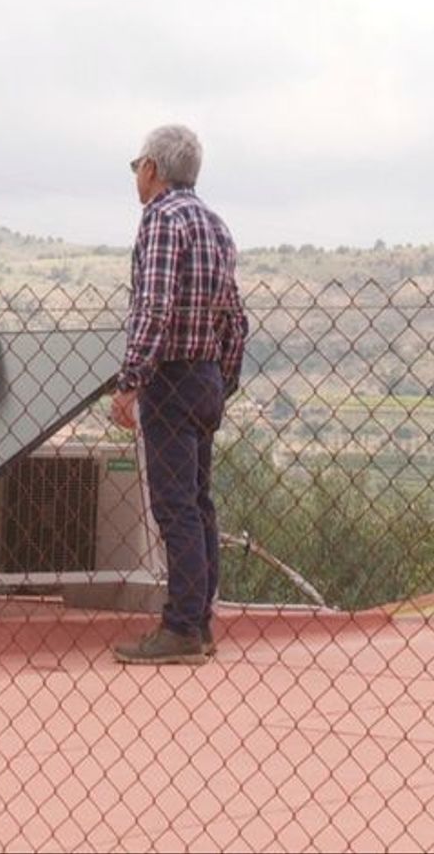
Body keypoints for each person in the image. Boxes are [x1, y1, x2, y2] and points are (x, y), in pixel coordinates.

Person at [110, 125, 249, 665]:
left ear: (152, 169)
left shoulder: (162, 220)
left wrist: (131, 381)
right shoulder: (216, 226)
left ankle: (182, 627)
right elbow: (235, 317)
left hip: (171, 377)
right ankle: (202, 620)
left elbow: (154, 306)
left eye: (136, 167)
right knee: (199, 501)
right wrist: (222, 379)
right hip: (207, 375)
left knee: (174, 508)